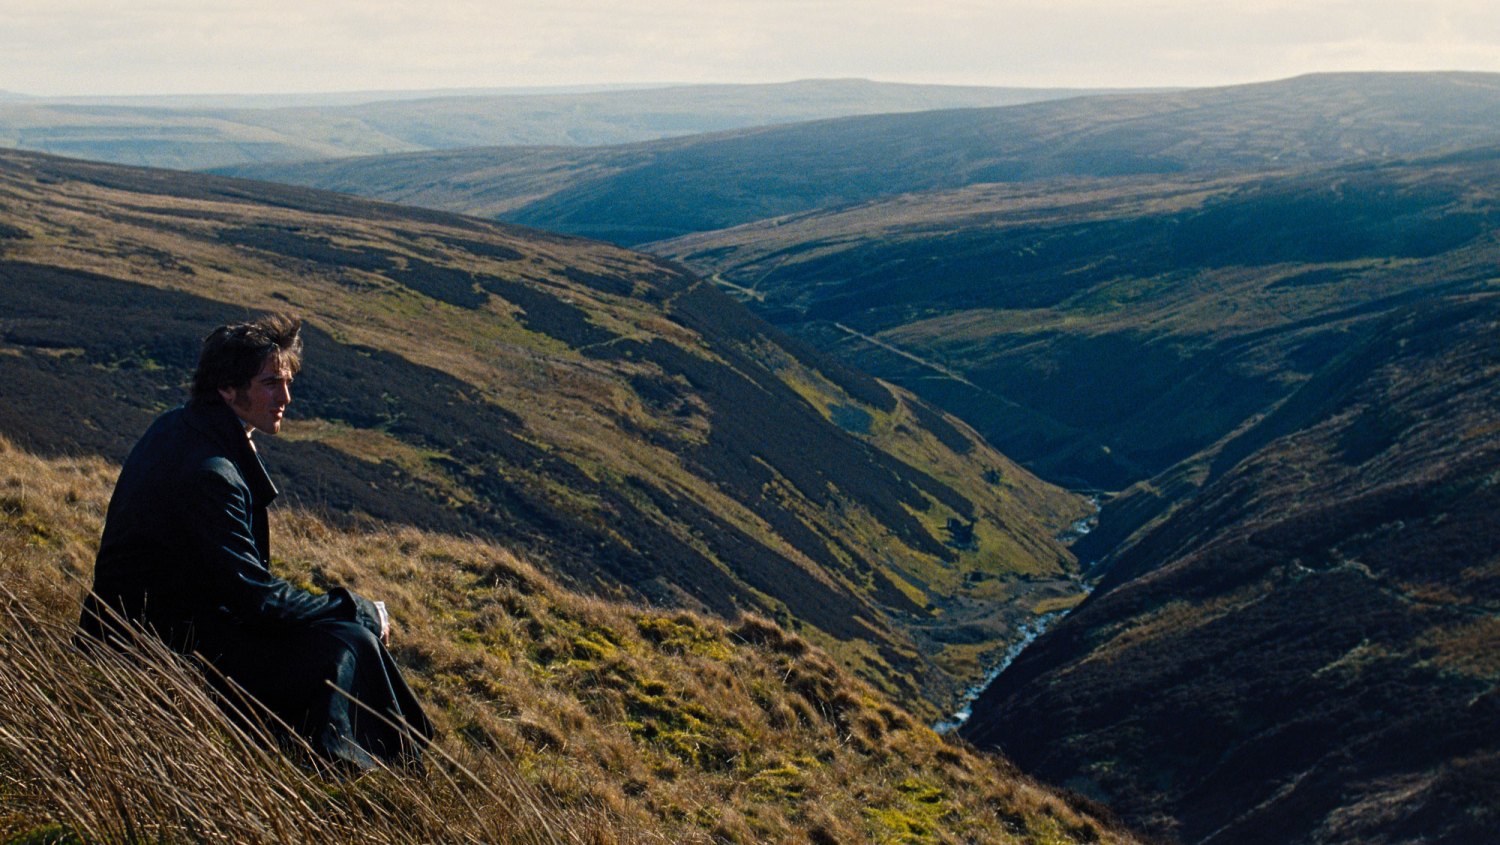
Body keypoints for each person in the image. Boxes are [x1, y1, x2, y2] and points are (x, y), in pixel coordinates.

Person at [79, 313, 432, 771]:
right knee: (347, 641)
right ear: (227, 388)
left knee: (340, 635)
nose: (285, 397)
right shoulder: (212, 475)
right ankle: (371, 770)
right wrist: (359, 609)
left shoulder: (178, 427)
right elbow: (255, 600)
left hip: (144, 630)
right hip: (156, 649)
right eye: (270, 383)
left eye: (286, 381)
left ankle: (374, 763)